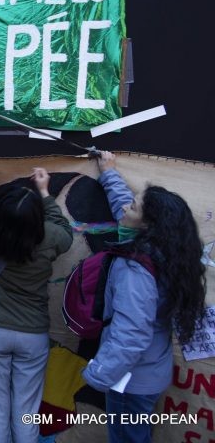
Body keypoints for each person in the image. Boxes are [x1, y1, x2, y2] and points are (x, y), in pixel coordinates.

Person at [0, 112, 73, 443]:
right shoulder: (49, 236)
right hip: (32, 335)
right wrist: (44, 193)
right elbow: (65, 230)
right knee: (26, 412)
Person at [82, 151, 206, 443]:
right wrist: (110, 172)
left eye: (134, 206)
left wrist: (98, 376)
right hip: (151, 370)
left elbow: (132, 334)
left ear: (147, 225)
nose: (127, 207)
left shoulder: (135, 269)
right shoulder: (168, 254)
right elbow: (125, 210)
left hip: (130, 381)